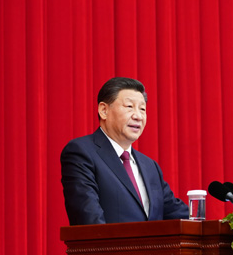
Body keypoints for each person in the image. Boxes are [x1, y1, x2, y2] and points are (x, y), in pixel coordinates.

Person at [60, 77, 189, 226]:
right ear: (104, 110)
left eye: (142, 109)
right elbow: (88, 217)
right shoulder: (82, 152)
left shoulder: (150, 166)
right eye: (129, 106)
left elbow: (177, 213)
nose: (138, 116)